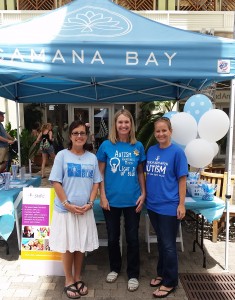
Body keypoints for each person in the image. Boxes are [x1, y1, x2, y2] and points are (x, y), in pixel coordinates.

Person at [49, 120, 102, 299]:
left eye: (82, 133)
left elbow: (96, 181)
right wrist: (66, 204)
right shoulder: (62, 156)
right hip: (66, 211)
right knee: (67, 246)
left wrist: (91, 201)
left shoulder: (92, 158)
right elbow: (56, 181)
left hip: (84, 210)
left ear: (86, 136)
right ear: (70, 136)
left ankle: (78, 277)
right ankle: (68, 280)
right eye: (75, 133)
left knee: (80, 245)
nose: (79, 136)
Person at [96, 109, 146, 292]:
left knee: (133, 239)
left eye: (127, 122)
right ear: (115, 125)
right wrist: (102, 195)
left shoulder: (138, 146)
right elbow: (99, 173)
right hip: (111, 200)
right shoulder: (106, 146)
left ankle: (133, 274)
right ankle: (115, 268)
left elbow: (140, 172)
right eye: (120, 122)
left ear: (131, 124)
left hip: (133, 200)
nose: (123, 125)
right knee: (112, 237)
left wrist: (144, 193)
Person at [145, 117, 188, 299]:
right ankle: (162, 273)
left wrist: (181, 204)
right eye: (157, 131)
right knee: (162, 242)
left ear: (170, 131)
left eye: (164, 130)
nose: (161, 134)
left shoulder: (177, 152)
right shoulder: (151, 150)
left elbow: (182, 179)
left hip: (169, 206)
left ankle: (170, 282)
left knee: (169, 245)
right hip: (153, 205)